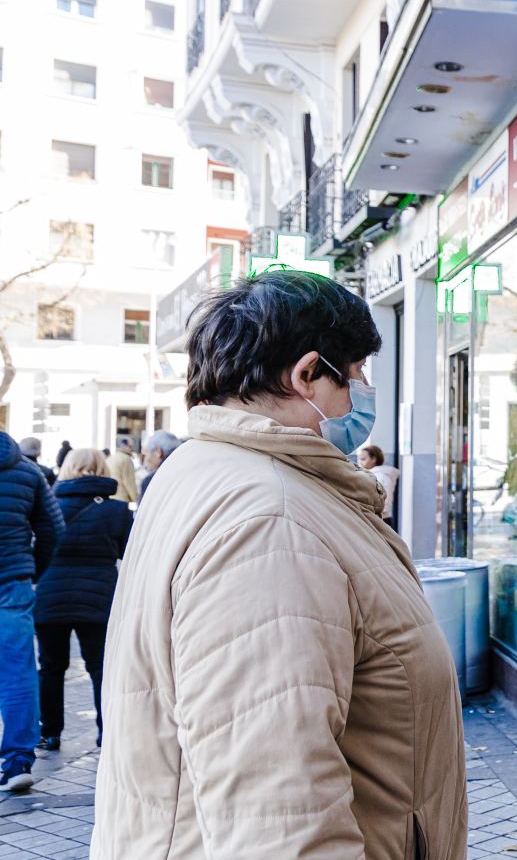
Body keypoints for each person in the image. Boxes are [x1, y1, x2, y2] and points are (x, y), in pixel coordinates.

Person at [93, 271, 466, 859]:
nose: (364, 392)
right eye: (357, 373)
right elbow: (277, 816)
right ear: (307, 375)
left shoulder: (206, 471)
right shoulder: (271, 521)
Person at [37, 448, 130, 752]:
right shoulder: (118, 510)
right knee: (101, 666)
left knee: (50, 667)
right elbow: (128, 555)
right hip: (100, 597)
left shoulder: (47, 506)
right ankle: (107, 731)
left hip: (50, 594)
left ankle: (50, 733)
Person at [0, 430, 64, 792]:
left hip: (14, 578)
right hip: (12, 581)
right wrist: (31, 571)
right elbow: (53, 528)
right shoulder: (26, 470)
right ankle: (17, 761)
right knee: (17, 673)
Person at [358, 445, 400, 531]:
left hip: (379, 520)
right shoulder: (370, 475)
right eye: (360, 459)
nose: (360, 463)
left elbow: (385, 501)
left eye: (363, 459)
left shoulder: (381, 477)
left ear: (373, 459)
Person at [136, 430, 180, 499]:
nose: (145, 463)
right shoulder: (189, 472)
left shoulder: (152, 480)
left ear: (158, 451)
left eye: (145, 455)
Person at [104, 438, 140, 504]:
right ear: (123, 446)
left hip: (110, 497)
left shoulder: (110, 459)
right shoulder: (125, 459)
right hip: (121, 498)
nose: (131, 449)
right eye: (130, 446)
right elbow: (129, 481)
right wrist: (136, 498)